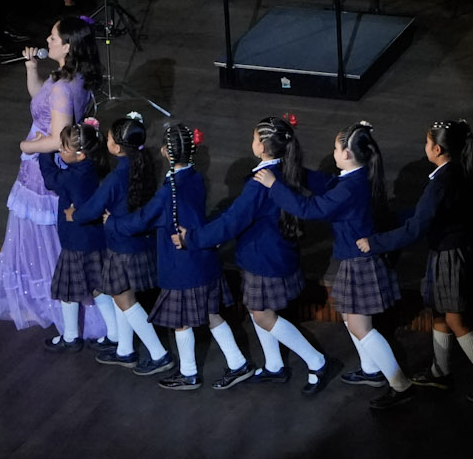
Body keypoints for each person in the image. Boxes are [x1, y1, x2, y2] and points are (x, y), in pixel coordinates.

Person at [257, 121, 415, 410]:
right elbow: (327, 185)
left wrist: (274, 185)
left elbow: (310, 209)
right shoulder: (356, 178)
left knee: (359, 325)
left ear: (346, 154)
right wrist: (295, 172)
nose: (333, 152)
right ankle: (371, 370)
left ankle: (400, 385)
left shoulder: (349, 189)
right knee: (352, 320)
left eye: (335, 148)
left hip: (360, 263)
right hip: (356, 260)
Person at [179, 114, 336, 394]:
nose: (251, 142)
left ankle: (317, 361)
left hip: (264, 259)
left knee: (262, 315)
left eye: (254, 138)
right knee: (258, 310)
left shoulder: (260, 182)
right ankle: (274, 365)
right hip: (277, 254)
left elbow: (232, 222)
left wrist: (193, 238)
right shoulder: (289, 168)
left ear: (263, 146)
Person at [360, 118, 473, 404]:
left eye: (427, 143)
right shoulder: (459, 172)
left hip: (451, 257)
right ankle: (440, 372)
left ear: (437, 149)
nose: (424, 147)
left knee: (455, 318)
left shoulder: (441, 182)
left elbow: (416, 228)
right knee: (440, 312)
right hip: (454, 252)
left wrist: (375, 242)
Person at [112, 122, 253, 391]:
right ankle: (238, 363)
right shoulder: (196, 178)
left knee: (180, 321)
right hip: (205, 259)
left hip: (182, 265)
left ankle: (188, 373)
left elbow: (142, 220)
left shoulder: (169, 189)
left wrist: (113, 223)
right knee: (212, 314)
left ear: (166, 152)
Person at [0, 20, 104, 334]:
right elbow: (41, 99)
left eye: (53, 37)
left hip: (45, 164)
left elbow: (58, 136)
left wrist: (27, 145)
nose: (47, 40)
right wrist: (31, 67)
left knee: (45, 233)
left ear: (67, 46)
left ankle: (55, 302)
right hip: (42, 158)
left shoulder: (66, 86)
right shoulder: (68, 75)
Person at [76, 112, 173, 373]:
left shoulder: (116, 177)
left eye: (108, 138)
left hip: (122, 248)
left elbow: (92, 209)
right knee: (123, 297)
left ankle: (159, 354)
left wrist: (75, 213)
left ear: (116, 147)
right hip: (141, 244)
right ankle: (125, 350)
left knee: (125, 301)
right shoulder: (145, 166)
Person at [35, 118, 123, 352]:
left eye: (64, 148)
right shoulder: (93, 168)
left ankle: (71, 337)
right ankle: (114, 335)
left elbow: (50, 179)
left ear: (80, 154)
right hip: (96, 239)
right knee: (98, 287)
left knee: (68, 291)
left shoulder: (72, 176)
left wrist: (45, 151)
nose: (60, 150)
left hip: (76, 241)